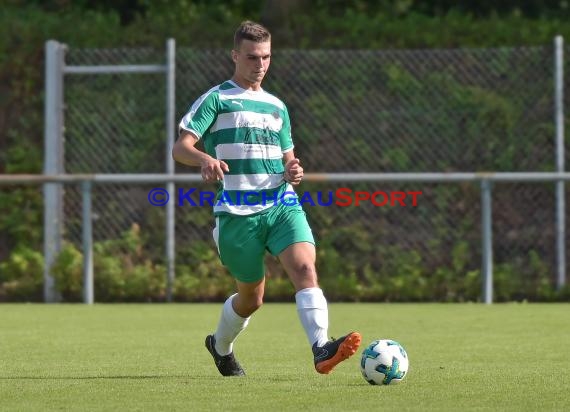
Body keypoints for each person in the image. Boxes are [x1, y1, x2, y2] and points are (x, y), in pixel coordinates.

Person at [172, 20, 361, 377]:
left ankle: (321, 349)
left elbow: (289, 157)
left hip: (281, 203)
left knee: (306, 268)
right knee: (251, 299)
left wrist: (294, 170)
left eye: (266, 57)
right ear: (235, 56)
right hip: (237, 213)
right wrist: (205, 159)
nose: (260, 64)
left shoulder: (277, 106)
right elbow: (180, 147)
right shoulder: (217, 99)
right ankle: (221, 346)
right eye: (252, 57)